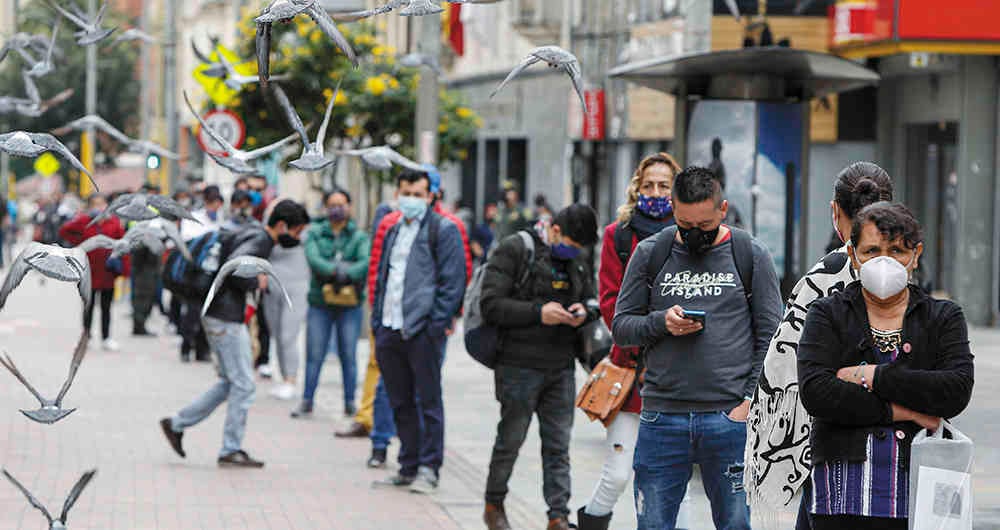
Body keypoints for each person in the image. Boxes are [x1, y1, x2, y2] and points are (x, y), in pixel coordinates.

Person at [612, 166, 782, 530]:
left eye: (704, 226)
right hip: (662, 416)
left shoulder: (750, 254)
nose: (694, 235)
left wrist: (748, 402)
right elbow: (622, 328)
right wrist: (661, 322)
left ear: (723, 209)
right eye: (685, 225)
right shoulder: (651, 253)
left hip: (729, 418)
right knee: (653, 524)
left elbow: (772, 337)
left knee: (735, 524)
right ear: (673, 209)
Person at [797, 202, 974, 530]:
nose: (884, 261)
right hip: (841, 498)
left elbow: (954, 390)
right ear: (853, 256)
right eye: (871, 251)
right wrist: (904, 411)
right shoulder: (827, 313)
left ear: (916, 255)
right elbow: (817, 393)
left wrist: (872, 375)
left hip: (918, 496)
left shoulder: (943, 317)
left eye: (896, 251)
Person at [744, 162, 894, 529]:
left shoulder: (822, 279)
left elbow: (785, 375)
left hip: (831, 453)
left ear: (834, 212)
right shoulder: (911, 277)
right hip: (898, 458)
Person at [159, 200, 310, 468]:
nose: (297, 238)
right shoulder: (261, 240)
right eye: (297, 231)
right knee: (244, 384)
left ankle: (177, 423)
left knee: (231, 382)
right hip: (225, 317)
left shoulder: (252, 232)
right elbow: (233, 268)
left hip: (220, 314)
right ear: (282, 226)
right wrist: (256, 280)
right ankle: (230, 448)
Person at [579, 152, 686, 530]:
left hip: (678, 372)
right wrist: (645, 337)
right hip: (629, 369)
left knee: (675, 480)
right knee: (618, 473)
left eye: (664, 186)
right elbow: (610, 303)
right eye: (648, 185)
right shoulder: (619, 235)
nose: (655, 193)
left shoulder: (691, 232)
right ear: (636, 188)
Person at [480, 204, 599, 530]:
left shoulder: (578, 258)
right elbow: (491, 305)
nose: (575, 253)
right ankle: (494, 504)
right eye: (571, 245)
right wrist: (538, 313)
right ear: (555, 230)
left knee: (558, 446)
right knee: (510, 440)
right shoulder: (516, 248)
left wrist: (584, 312)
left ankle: (558, 516)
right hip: (517, 365)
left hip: (561, 367)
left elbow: (592, 299)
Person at [370, 169, 466, 493]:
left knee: (428, 401)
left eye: (417, 194)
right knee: (399, 401)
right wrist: (377, 322)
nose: (411, 199)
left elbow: (453, 284)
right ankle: (408, 465)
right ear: (397, 194)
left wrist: (434, 325)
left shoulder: (444, 230)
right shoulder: (393, 230)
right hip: (390, 327)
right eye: (406, 193)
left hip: (422, 330)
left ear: (430, 196)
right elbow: (383, 278)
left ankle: (429, 467)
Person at [291, 189, 370, 417]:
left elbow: (365, 261)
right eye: (332, 204)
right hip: (320, 303)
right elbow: (313, 258)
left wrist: (346, 274)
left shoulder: (359, 236)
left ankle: (349, 402)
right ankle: (307, 400)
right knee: (314, 354)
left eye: (342, 204)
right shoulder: (315, 233)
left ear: (350, 206)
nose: (337, 209)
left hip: (350, 304)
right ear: (325, 208)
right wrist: (337, 272)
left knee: (349, 355)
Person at [59, 193, 130, 351]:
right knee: (88, 307)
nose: (99, 207)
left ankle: (106, 338)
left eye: (102, 204)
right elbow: (64, 231)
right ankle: (86, 337)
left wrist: (125, 270)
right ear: (90, 206)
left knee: (106, 307)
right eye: (95, 204)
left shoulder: (114, 222)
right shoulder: (84, 221)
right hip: (88, 272)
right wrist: (79, 239)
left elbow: (122, 245)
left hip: (108, 272)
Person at [260, 196, 310, 400]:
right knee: (277, 334)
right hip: (273, 288)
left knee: (288, 334)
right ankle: (283, 377)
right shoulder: (270, 231)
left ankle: (291, 379)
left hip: (297, 288)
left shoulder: (305, 233)